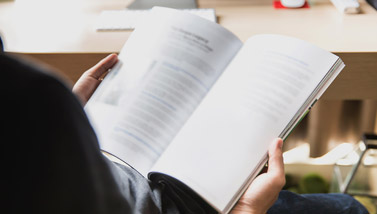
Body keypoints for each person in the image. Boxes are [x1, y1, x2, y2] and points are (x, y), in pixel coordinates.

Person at [1, 36, 368, 214]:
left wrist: (69, 118)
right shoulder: (29, 92)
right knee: (347, 208)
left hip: (125, 171)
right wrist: (248, 212)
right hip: (179, 203)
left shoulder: (26, 97)